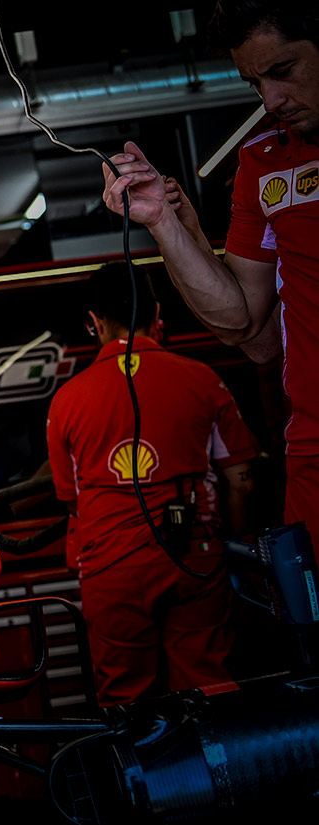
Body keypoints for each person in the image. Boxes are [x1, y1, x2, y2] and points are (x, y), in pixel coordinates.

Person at [101, 0, 317, 536]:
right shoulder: (263, 163)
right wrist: (165, 225)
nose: (271, 99)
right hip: (311, 447)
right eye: (255, 83)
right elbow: (249, 328)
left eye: (283, 71)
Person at [46, 263, 258, 705]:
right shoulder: (204, 379)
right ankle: (217, 772)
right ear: (157, 311)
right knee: (210, 689)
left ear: (95, 322)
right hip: (195, 559)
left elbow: (73, 504)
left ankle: (144, 774)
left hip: (112, 570)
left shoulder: (66, 401)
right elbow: (242, 482)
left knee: (127, 704)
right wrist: (233, 545)